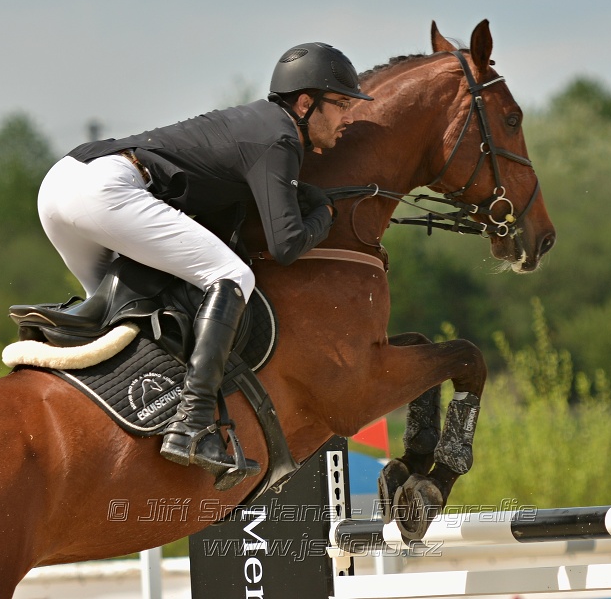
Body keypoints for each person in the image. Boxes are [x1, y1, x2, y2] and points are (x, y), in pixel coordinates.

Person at [36, 42, 373, 479]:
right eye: (342, 104)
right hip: (107, 188)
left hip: (60, 184)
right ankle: (194, 423)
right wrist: (324, 215)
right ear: (306, 103)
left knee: (128, 311)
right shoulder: (281, 135)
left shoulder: (258, 126)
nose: (350, 117)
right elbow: (287, 244)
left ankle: (118, 420)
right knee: (232, 275)